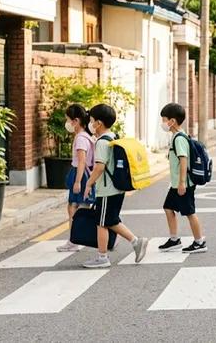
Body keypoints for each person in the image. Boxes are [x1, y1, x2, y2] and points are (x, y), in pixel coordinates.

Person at [82, 104, 149, 268]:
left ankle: (103, 257)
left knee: (102, 223)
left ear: (98, 123)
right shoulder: (114, 137)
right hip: (117, 188)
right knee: (110, 220)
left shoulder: (101, 143)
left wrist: (89, 184)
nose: (90, 124)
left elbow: (99, 167)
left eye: (91, 121)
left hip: (107, 190)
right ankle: (135, 242)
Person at [157, 103, 207, 253]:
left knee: (189, 212)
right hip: (176, 183)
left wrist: (181, 183)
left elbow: (183, 160)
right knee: (168, 208)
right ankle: (174, 239)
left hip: (183, 184)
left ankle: (199, 242)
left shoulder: (179, 138)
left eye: (164, 119)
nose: (163, 123)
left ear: (172, 121)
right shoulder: (177, 136)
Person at [57, 104, 96, 253]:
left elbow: (82, 161)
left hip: (80, 174)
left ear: (76, 120)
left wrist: (78, 181)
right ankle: (74, 239)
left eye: (68, 120)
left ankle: (74, 240)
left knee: (76, 208)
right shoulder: (87, 136)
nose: (67, 123)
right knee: (76, 207)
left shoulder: (81, 139)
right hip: (84, 174)